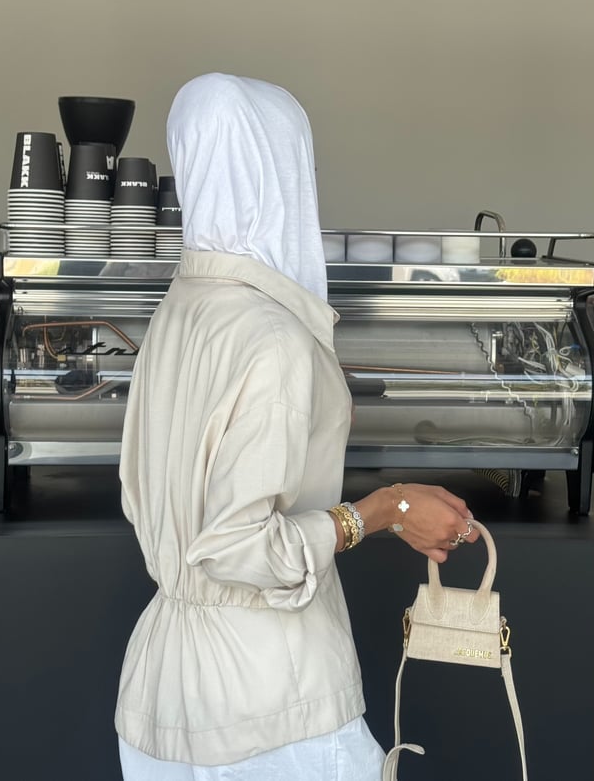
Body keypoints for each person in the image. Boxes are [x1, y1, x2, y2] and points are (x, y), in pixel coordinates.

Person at [115, 72, 479, 780]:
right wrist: (387, 508)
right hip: (271, 702)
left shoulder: (175, 312)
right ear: (279, 175)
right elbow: (237, 545)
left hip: (159, 688)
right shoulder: (274, 338)